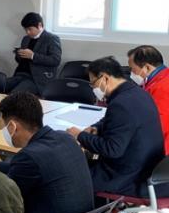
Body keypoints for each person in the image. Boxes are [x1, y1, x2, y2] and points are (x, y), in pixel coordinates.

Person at [67, 57, 166, 198]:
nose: (93, 88)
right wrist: (96, 127)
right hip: (148, 165)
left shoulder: (121, 104)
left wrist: (79, 135)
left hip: (129, 176)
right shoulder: (138, 93)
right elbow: (115, 120)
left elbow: (112, 150)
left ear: (105, 78)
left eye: (93, 83)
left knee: (69, 178)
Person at [6, 13, 62, 95]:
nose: (27, 32)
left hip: (37, 79)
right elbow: (20, 61)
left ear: (39, 25)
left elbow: (55, 60)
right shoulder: (26, 39)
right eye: (25, 30)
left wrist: (33, 56)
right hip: (20, 75)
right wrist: (19, 55)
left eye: (30, 29)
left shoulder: (51, 38)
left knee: (15, 95)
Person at [128, 45, 169, 155]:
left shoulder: (162, 87)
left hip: (160, 149)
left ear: (147, 68)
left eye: (133, 69)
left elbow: (158, 126)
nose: (131, 73)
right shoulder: (159, 79)